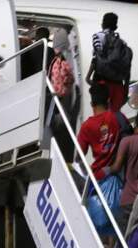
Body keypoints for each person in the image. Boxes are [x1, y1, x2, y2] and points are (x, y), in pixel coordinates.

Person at [76, 84, 121, 181]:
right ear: (108, 101)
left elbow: (78, 155)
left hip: (98, 176)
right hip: (119, 171)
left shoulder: (86, 126)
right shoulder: (116, 117)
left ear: (92, 104)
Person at [86, 13, 130, 112]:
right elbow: (127, 68)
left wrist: (88, 77)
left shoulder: (98, 36)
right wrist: (125, 91)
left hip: (102, 84)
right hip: (118, 85)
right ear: (116, 26)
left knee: (102, 118)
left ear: (102, 24)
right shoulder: (122, 43)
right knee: (114, 119)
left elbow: (96, 57)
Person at [47, 29, 76, 159]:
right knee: (65, 120)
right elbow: (69, 78)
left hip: (54, 95)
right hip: (64, 95)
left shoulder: (53, 63)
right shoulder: (64, 63)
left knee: (56, 119)